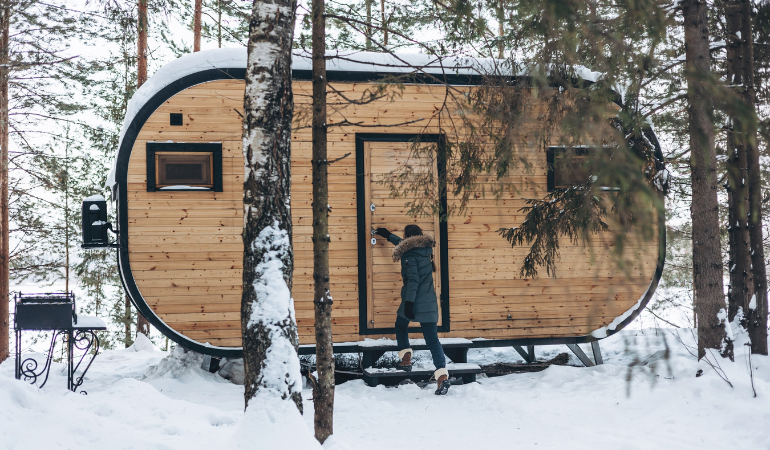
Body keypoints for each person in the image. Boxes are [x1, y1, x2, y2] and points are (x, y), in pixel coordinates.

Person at [374, 224, 451, 395]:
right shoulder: (425, 250)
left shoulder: (408, 254)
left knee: (401, 326)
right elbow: (403, 244)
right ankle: (442, 376)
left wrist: (408, 303)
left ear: (407, 236)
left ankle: (406, 359)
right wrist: (388, 235)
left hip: (414, 300)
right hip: (430, 302)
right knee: (433, 341)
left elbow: (413, 280)